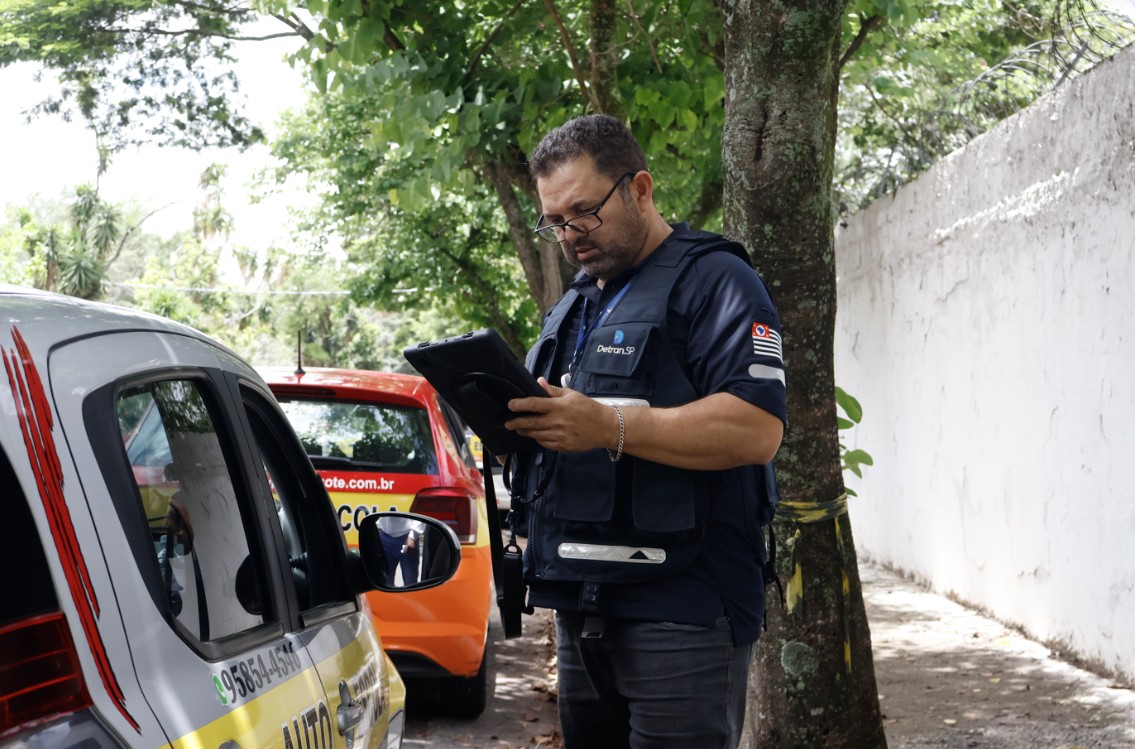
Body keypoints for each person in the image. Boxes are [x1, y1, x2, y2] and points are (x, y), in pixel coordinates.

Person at [503, 114, 787, 749]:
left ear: (639, 189)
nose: (570, 233)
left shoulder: (716, 280)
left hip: (683, 610)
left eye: (584, 211)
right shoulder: (574, 305)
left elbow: (756, 428)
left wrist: (606, 425)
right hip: (582, 604)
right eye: (556, 221)